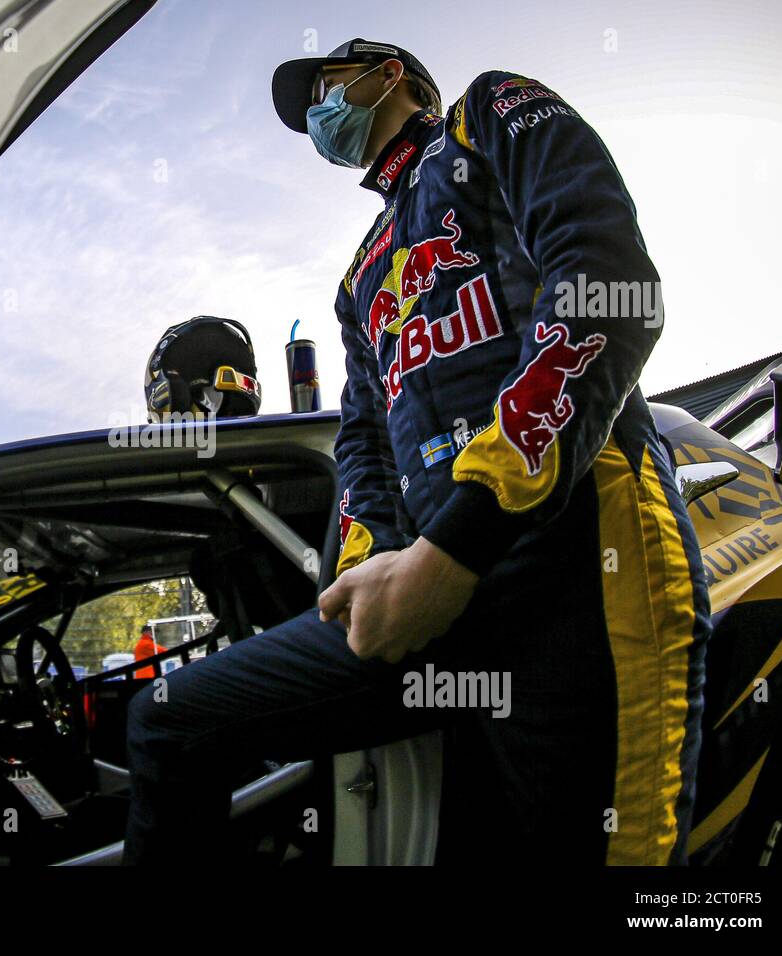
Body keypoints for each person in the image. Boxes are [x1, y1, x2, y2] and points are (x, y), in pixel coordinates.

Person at [122, 39, 710, 866]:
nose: (317, 120)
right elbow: (363, 438)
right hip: (437, 592)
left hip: (581, 570)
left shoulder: (489, 114)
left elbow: (609, 288)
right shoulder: (361, 271)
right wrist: (373, 565)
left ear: (385, 74)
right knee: (169, 717)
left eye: (322, 90)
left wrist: (458, 546)